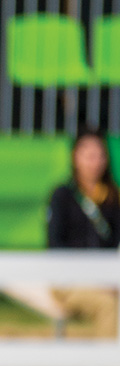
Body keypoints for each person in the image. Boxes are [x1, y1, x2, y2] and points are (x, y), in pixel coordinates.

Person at [46, 126, 120, 338]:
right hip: (70, 281)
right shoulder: (62, 196)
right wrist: (92, 279)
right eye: (88, 156)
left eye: (99, 155)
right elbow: (55, 245)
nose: (94, 162)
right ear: (75, 157)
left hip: (108, 279)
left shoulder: (112, 197)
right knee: (107, 305)